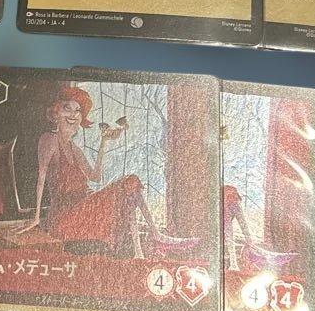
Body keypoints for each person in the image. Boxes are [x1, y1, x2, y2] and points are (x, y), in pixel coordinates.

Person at [18, 86, 196, 259]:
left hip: (83, 210)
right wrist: (36, 218)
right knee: (129, 183)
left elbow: (95, 177)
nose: (73, 115)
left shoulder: (75, 149)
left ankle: (141, 250)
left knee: (130, 185)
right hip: (64, 218)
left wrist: (103, 143)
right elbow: (41, 177)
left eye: (77, 110)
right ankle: (152, 239)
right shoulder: (49, 139)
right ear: (56, 112)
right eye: (67, 108)